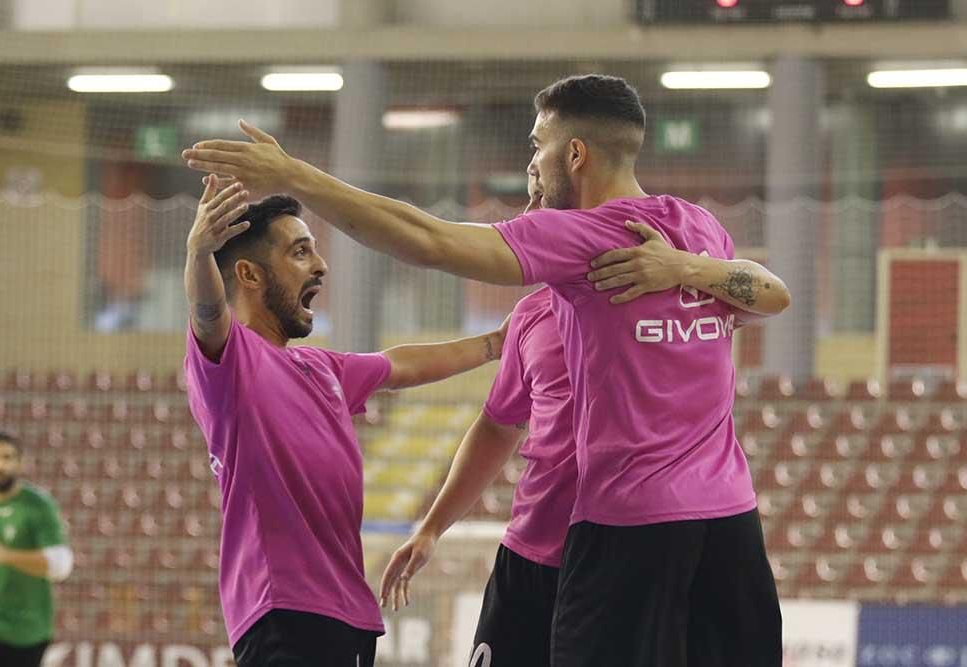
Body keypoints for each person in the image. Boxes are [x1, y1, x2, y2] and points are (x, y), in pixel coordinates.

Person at [183, 73, 789, 666]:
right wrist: (688, 268)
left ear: (573, 153)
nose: (532, 162)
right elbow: (769, 293)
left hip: (628, 522)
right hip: (729, 518)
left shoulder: (581, 238)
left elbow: (428, 240)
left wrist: (295, 176)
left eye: (537, 145)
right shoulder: (697, 227)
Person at [183, 179, 635, 666]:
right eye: (299, 252)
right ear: (249, 275)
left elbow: (401, 365)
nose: (320, 264)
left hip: (345, 613)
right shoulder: (231, 364)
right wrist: (198, 253)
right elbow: (208, 314)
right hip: (284, 608)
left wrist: (493, 344)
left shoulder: (319, 368)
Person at [377, 176, 792, 667]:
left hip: (626, 553)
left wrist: (682, 267)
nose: (530, 210)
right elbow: (497, 425)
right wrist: (431, 528)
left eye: (540, 193)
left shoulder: (669, 287)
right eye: (527, 195)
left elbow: (770, 294)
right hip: (536, 553)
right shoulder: (530, 316)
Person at [0, 432, 74, 667]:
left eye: (7, 458)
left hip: (27, 628)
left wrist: (5, 556)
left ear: (19, 463)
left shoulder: (38, 507)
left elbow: (60, 565)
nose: (0, 465)